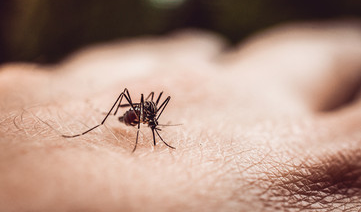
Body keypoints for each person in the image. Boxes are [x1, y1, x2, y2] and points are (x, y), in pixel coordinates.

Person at [1, 21, 361, 211]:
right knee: (141, 99)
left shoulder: (153, 114)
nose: (152, 124)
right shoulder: (140, 116)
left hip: (136, 115)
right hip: (126, 115)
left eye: (152, 125)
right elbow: (139, 107)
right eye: (152, 125)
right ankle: (101, 124)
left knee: (154, 99)